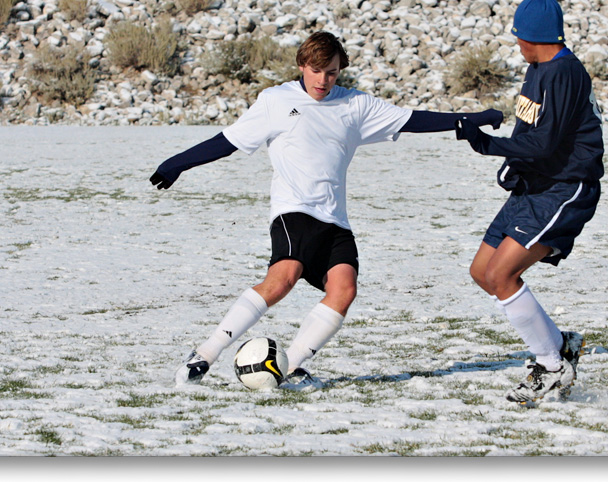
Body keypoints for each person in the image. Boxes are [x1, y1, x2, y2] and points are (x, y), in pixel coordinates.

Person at [151, 31, 503, 387]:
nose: (323, 80)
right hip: (294, 211)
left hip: (335, 218)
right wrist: (178, 163)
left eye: (332, 72)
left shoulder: (355, 106)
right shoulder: (275, 101)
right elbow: (227, 141)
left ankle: (292, 368)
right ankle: (203, 356)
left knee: (344, 289)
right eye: (316, 70)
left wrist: (471, 117)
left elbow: (412, 119)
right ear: (302, 66)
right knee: (282, 279)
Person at [454, 0, 604, 406]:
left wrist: (488, 146)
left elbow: (545, 142)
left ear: (533, 36)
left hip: (565, 187)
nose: (516, 42)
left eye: (519, 34)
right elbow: (532, 132)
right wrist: (510, 160)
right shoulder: (537, 68)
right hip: (535, 186)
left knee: (503, 276)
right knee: (483, 272)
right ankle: (560, 344)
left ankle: (551, 367)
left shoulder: (563, 73)